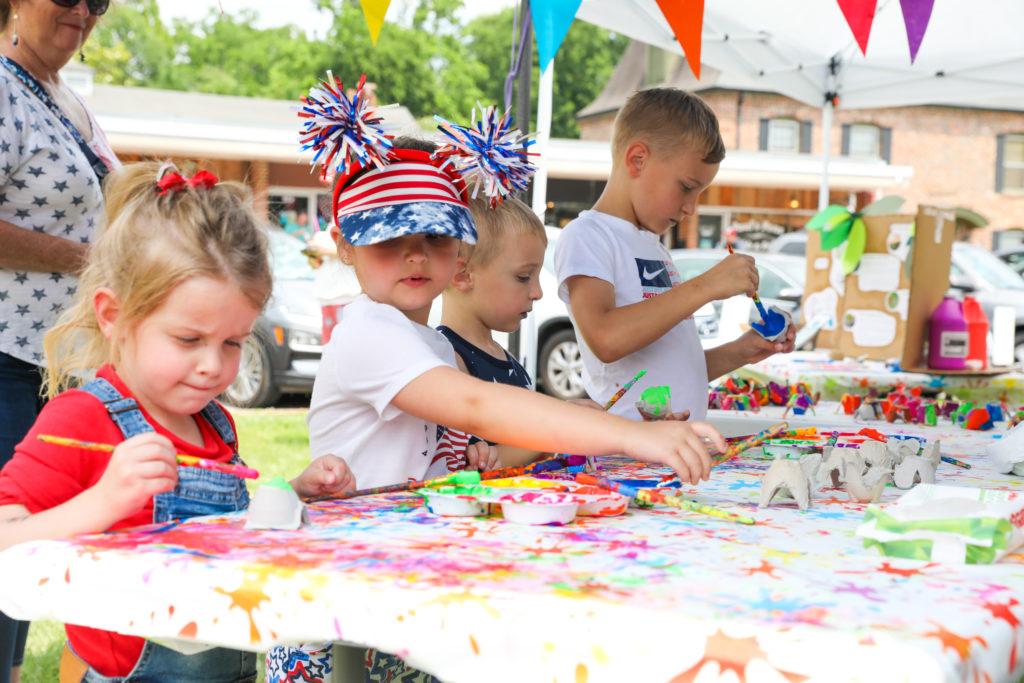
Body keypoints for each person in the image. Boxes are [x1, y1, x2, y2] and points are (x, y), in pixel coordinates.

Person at [0, 162, 355, 683]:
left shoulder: (212, 422)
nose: (214, 365)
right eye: (189, 340)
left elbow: (216, 529)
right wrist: (103, 502)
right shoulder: (84, 417)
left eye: (233, 342)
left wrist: (292, 494)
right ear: (114, 316)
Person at [554, 87, 795, 423]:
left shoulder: (653, 246)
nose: (691, 208)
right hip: (627, 459)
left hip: (669, 452)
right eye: (685, 186)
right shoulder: (589, 236)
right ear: (637, 160)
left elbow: (671, 368)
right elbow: (606, 339)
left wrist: (741, 351)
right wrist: (705, 286)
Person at [0, 0, 119, 679]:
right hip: (8, 359)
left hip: (55, 368)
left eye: (98, 2)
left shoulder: (62, 96)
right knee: (8, 550)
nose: (84, 12)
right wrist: (87, 260)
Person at [435, 194, 597, 471]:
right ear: (462, 276)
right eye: (523, 277)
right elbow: (467, 472)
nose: (538, 292)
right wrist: (561, 425)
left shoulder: (504, 359)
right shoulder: (446, 362)